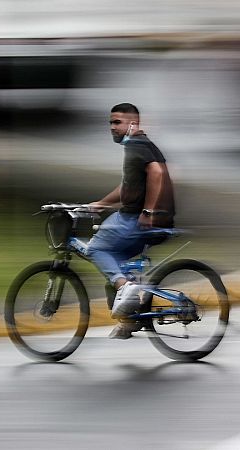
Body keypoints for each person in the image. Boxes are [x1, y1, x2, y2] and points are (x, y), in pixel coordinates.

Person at [87, 103, 175, 339]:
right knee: (114, 266)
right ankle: (130, 319)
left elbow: (157, 173)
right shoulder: (142, 145)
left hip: (137, 219)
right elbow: (128, 187)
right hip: (156, 220)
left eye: (118, 122)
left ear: (133, 124)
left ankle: (127, 289)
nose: (112, 127)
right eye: (111, 123)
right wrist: (101, 204)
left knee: (95, 248)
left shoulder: (135, 144)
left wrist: (148, 211)